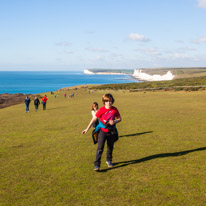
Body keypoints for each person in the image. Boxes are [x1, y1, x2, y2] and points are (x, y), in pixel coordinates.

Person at [82, 93, 121, 171]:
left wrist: (115, 121)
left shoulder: (114, 109)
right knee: (100, 148)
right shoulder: (101, 110)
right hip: (102, 132)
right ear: (104, 102)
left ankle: (109, 160)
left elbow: (120, 118)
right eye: (107, 101)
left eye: (110, 101)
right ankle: (97, 165)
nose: (109, 103)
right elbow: (94, 119)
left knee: (110, 147)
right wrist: (87, 129)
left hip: (111, 131)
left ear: (112, 101)